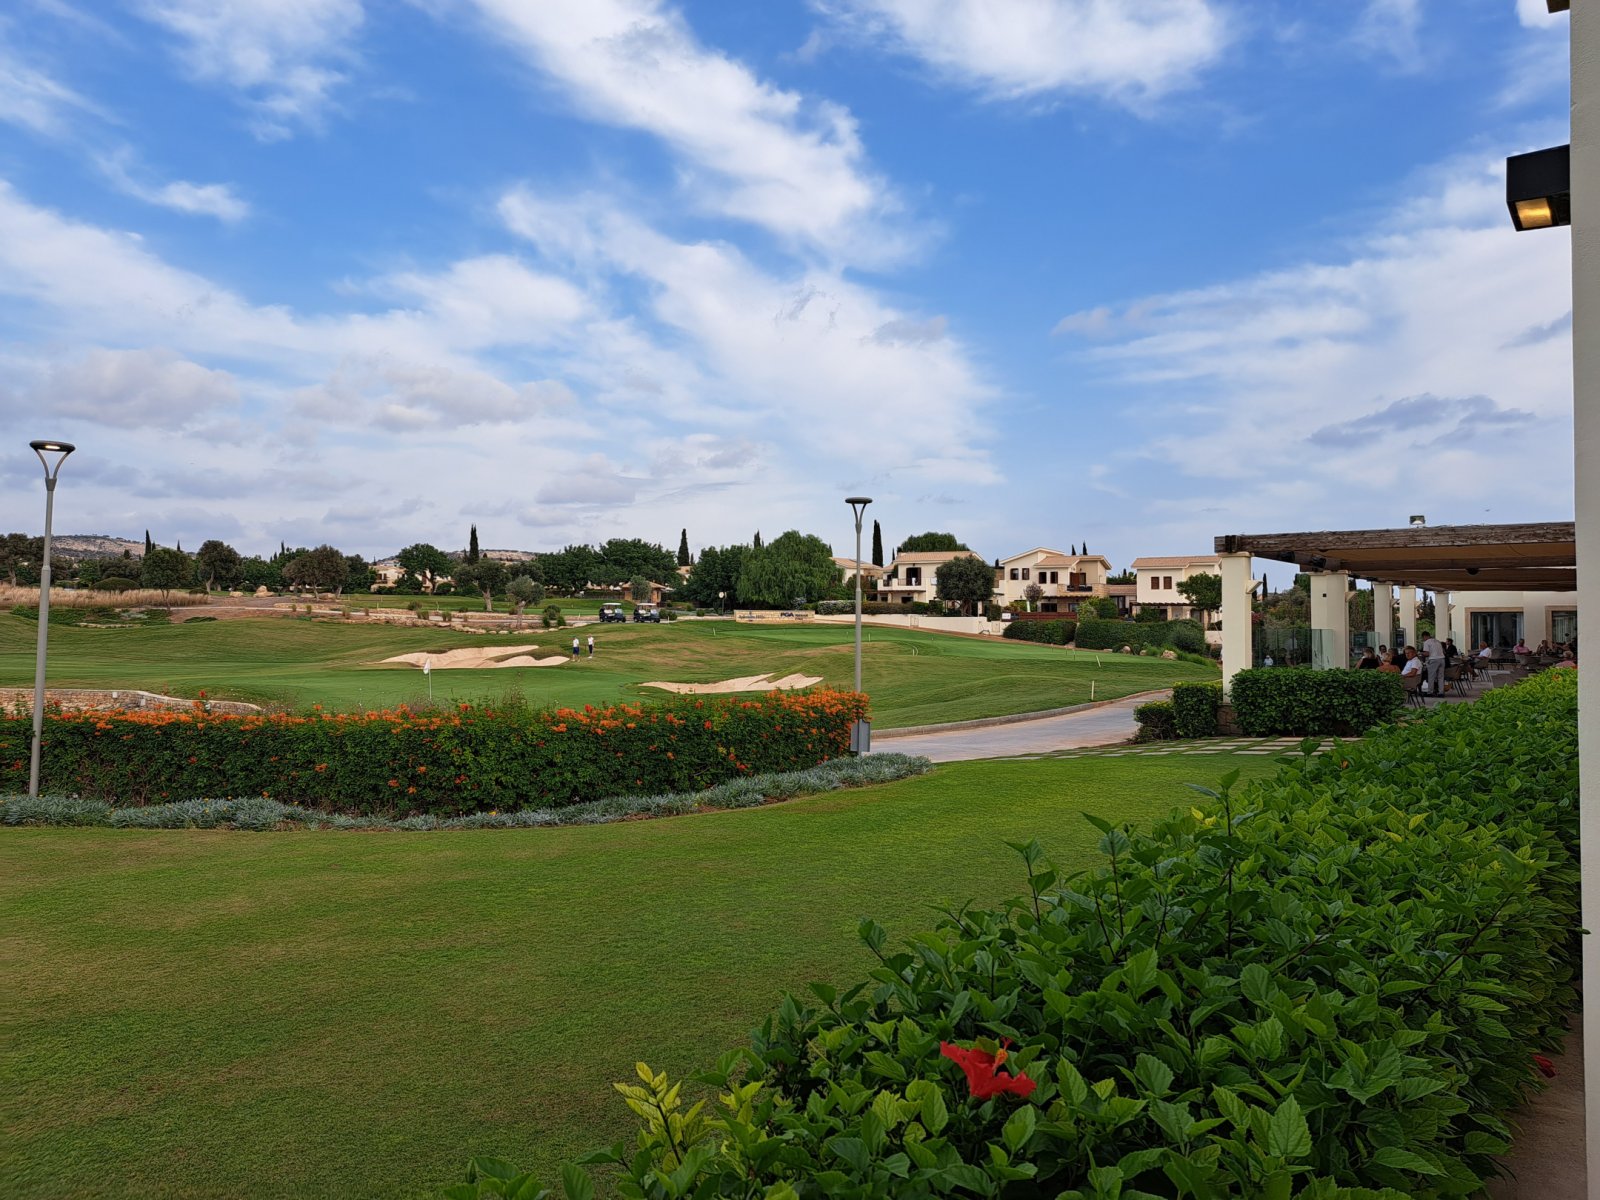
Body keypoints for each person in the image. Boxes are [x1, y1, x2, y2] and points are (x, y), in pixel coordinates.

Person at [1420, 629, 1445, 696]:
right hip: (1442, 659)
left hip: (1433, 659)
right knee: (1440, 677)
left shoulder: (1427, 642)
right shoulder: (1437, 641)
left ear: (1424, 636)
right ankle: (1441, 692)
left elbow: (1427, 654)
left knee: (1431, 676)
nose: (1423, 639)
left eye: (1423, 638)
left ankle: (1430, 692)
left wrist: (1421, 653)